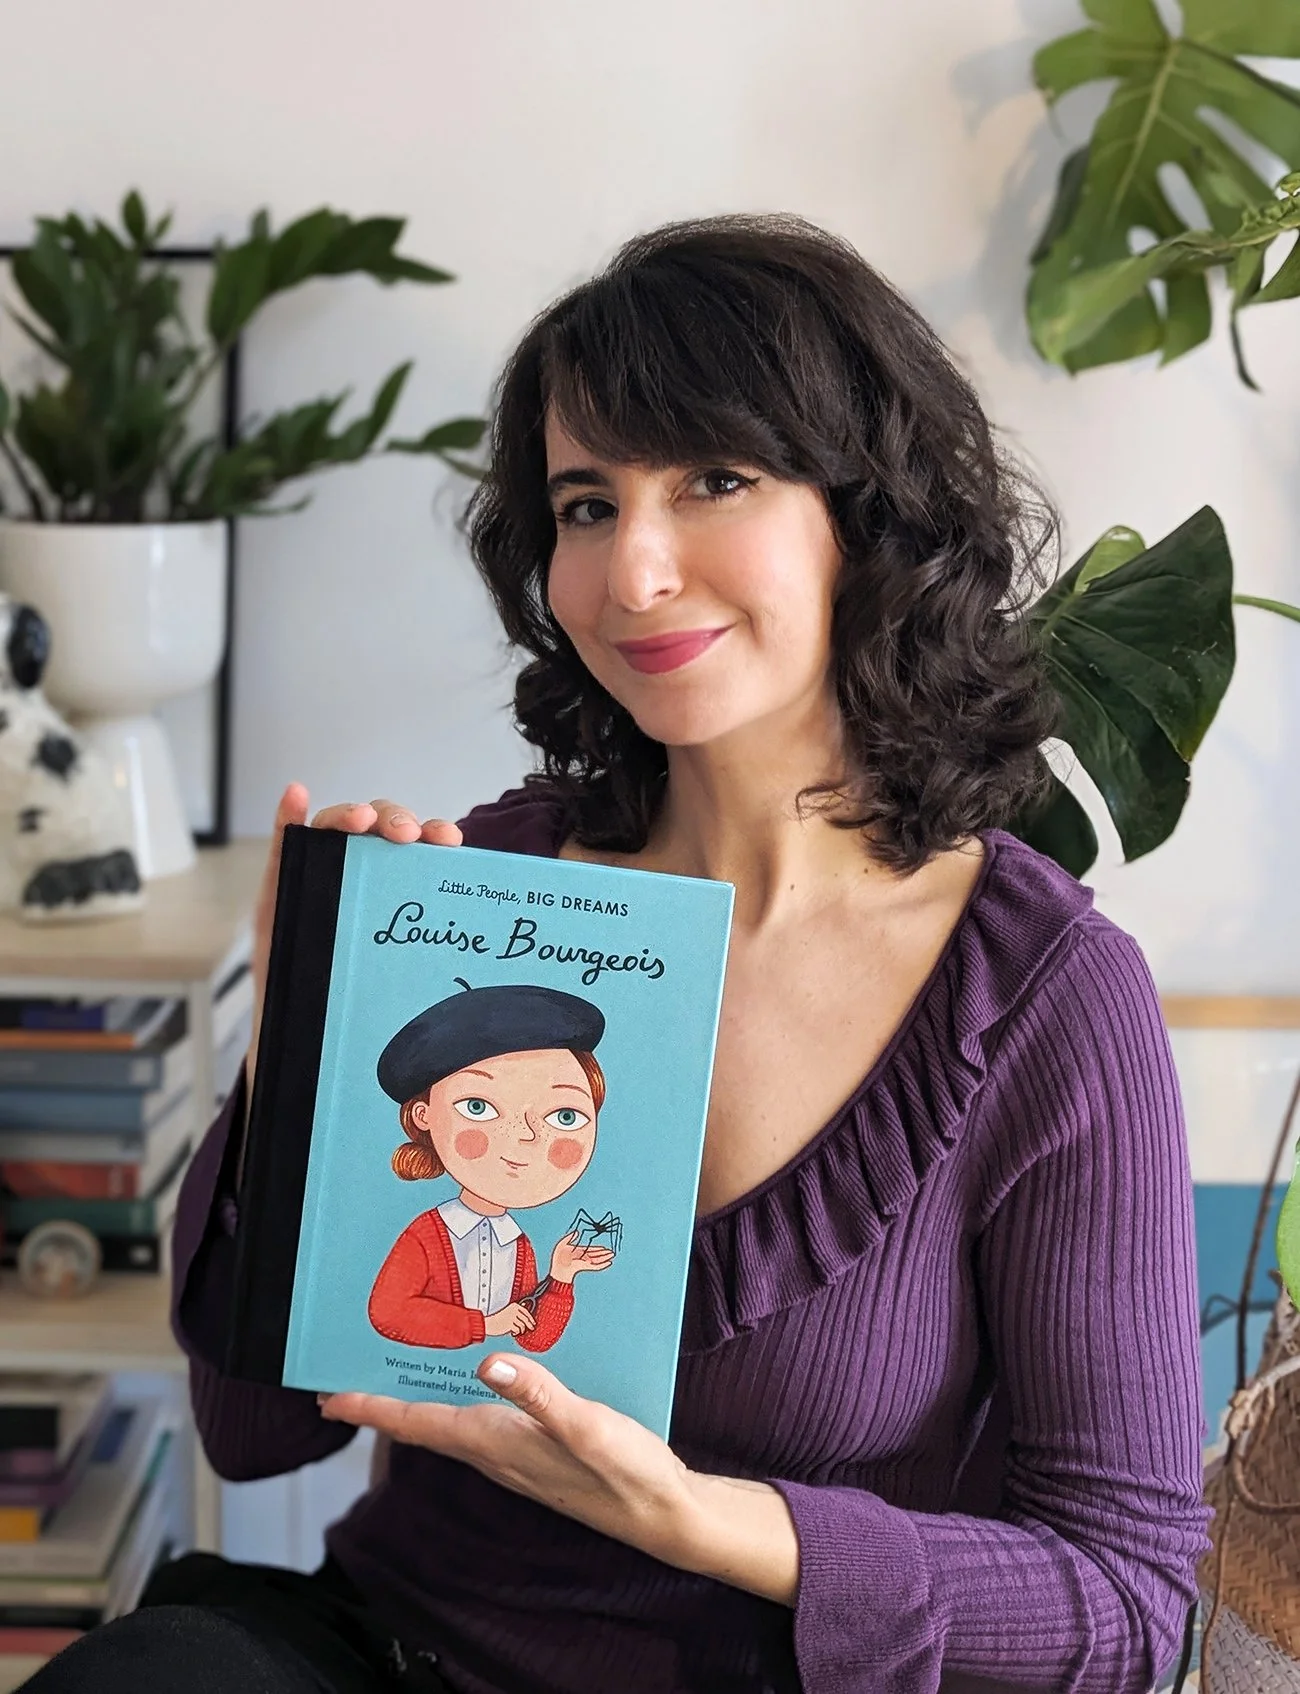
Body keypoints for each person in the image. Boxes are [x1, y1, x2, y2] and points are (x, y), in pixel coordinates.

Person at [24, 213, 1212, 1694]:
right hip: (398, 1653)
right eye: (587, 505)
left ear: (869, 514)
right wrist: (301, 1047)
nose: (634, 571)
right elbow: (256, 1428)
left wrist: (711, 1522)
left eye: (715, 480)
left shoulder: (1040, 997)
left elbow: (1127, 1599)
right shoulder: (482, 889)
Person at [367, 982, 616, 1352]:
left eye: (564, 1116)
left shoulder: (517, 1243)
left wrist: (561, 1277)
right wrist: (482, 1325)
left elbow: (532, 1338)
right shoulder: (427, 1235)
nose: (524, 1137)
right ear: (424, 1115)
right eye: (478, 1107)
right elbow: (389, 1313)